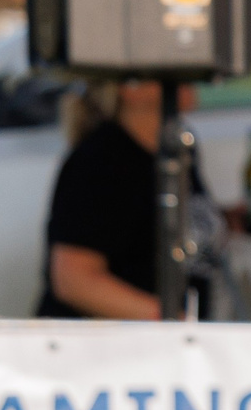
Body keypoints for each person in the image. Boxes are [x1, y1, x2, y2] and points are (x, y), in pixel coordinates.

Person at [39, 77, 215, 319]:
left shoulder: (177, 145)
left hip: (174, 344)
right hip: (110, 348)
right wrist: (168, 319)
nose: (187, 75)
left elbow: (165, 222)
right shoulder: (100, 161)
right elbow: (73, 280)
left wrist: (229, 219)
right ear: (130, 88)